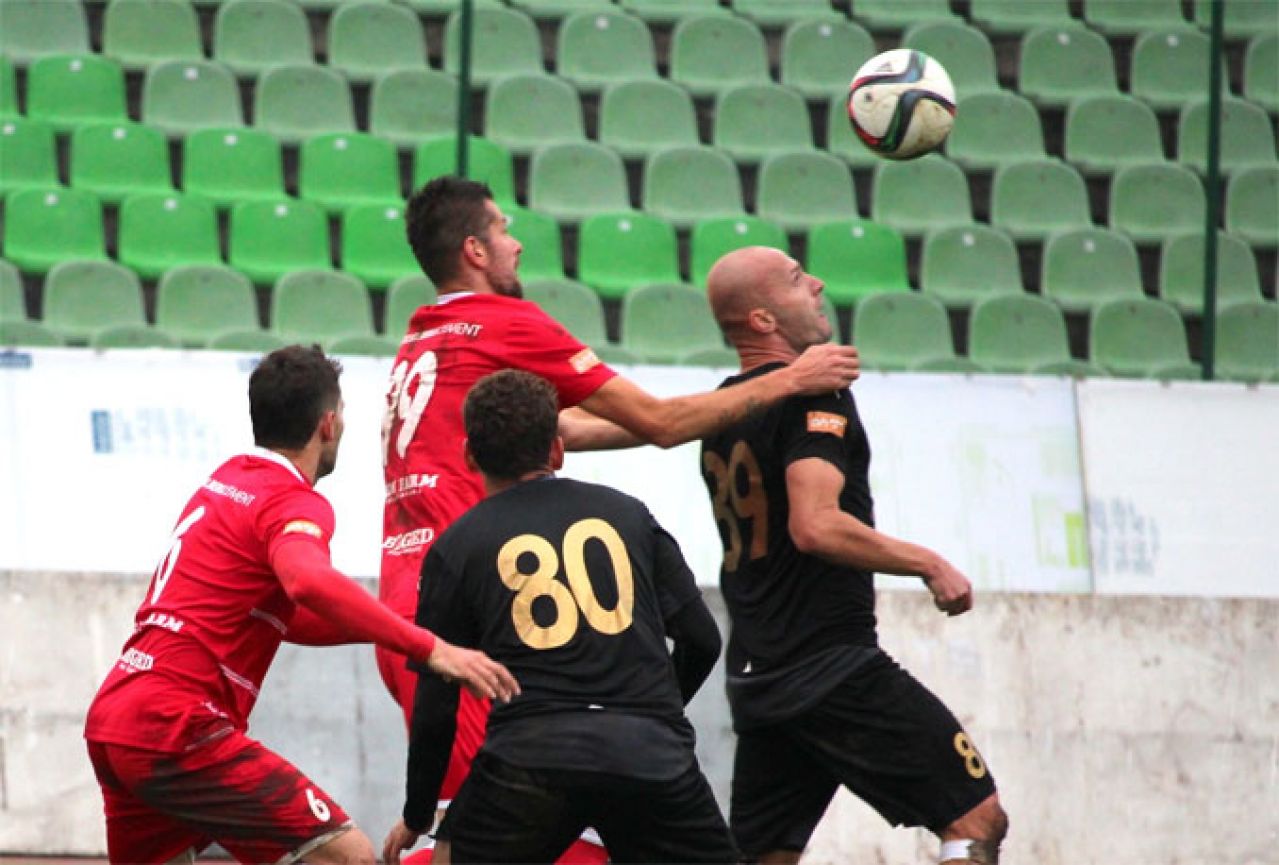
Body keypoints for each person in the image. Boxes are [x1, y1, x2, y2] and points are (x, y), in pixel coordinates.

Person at [377, 176, 860, 861]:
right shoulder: (507, 321)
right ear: (475, 250)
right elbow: (660, 424)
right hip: (487, 618)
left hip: (417, 600)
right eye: (504, 229)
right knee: (474, 842)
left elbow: (571, 429)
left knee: (514, 827)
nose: (516, 243)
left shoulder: (422, 334)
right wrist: (788, 379)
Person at [83, 345, 519, 865]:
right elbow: (308, 581)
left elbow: (286, 611)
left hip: (117, 716)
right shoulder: (293, 500)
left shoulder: (225, 481)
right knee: (350, 857)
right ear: (328, 425)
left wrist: (392, 624)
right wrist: (430, 649)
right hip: (179, 723)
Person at [698, 247, 1009, 865]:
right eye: (795, 279)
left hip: (761, 677)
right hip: (830, 671)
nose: (816, 283)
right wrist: (929, 561)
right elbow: (816, 526)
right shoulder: (817, 395)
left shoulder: (723, 410)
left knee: (765, 857)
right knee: (976, 819)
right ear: (763, 320)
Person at [382, 369, 738, 865]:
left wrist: (419, 814)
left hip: (529, 759)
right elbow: (702, 639)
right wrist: (652, 715)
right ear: (556, 450)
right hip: (648, 753)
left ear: (469, 456)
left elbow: (437, 704)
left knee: (446, 855)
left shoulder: (456, 546)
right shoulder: (630, 514)